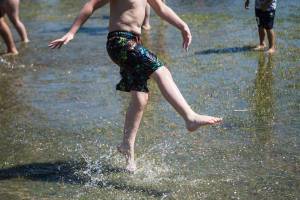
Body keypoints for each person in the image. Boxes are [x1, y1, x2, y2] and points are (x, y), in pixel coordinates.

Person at [49, 0, 222, 172]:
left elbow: (161, 9)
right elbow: (91, 5)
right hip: (120, 42)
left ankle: (127, 147)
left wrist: (182, 26)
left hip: (134, 43)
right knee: (162, 72)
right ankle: (190, 118)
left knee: (140, 98)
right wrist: (71, 32)